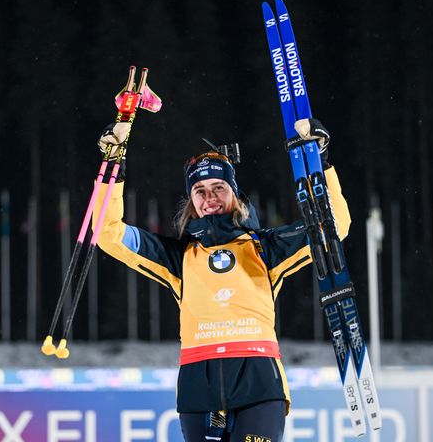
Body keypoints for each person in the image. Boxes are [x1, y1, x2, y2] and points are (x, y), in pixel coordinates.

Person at [93, 118, 350, 442]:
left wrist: (320, 162)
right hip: (199, 384)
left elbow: (335, 225)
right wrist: (112, 166)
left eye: (218, 188)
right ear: (191, 202)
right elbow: (108, 233)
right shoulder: (179, 257)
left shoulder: (266, 248)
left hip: (257, 379)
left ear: (235, 194)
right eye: (199, 191)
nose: (209, 196)